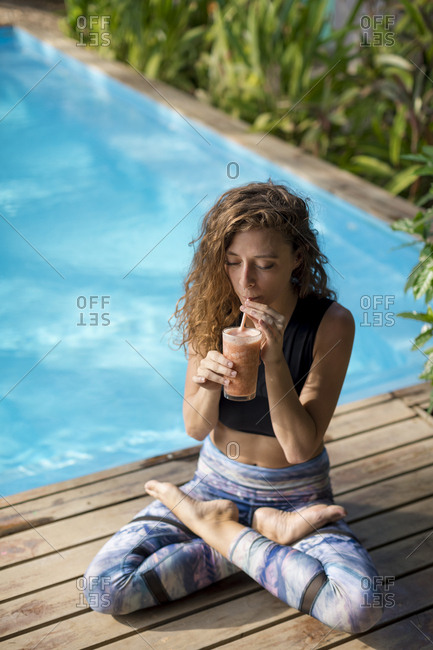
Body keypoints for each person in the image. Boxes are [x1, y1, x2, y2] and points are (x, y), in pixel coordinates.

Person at [83, 181, 383, 633]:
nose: (247, 281)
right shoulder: (211, 312)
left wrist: (275, 359)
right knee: (104, 588)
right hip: (214, 482)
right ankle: (251, 532)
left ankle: (220, 530)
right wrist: (205, 383)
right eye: (233, 262)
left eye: (265, 264)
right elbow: (194, 428)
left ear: (298, 258)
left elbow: (301, 447)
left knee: (361, 607)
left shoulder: (330, 323)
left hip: (296, 495)